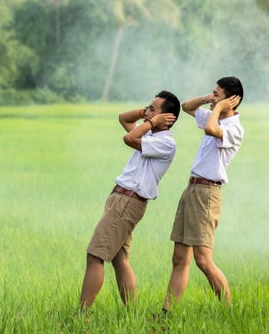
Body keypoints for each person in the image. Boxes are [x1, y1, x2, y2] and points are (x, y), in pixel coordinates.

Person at [79, 91, 181, 308]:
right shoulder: (150, 135)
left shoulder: (165, 143)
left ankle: (80, 317)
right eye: (147, 107)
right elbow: (123, 118)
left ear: (167, 118)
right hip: (122, 199)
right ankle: (132, 315)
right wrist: (148, 114)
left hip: (127, 201)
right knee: (119, 258)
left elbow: (129, 138)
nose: (147, 112)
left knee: (95, 256)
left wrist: (152, 121)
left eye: (153, 108)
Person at [162, 76, 244, 311]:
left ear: (231, 102)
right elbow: (187, 107)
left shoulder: (233, 128)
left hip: (207, 193)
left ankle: (228, 312)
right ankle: (167, 313)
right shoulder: (214, 115)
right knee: (179, 258)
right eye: (212, 93)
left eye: (216, 94)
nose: (211, 98)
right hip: (192, 189)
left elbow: (210, 129)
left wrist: (218, 107)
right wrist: (210, 99)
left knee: (203, 260)